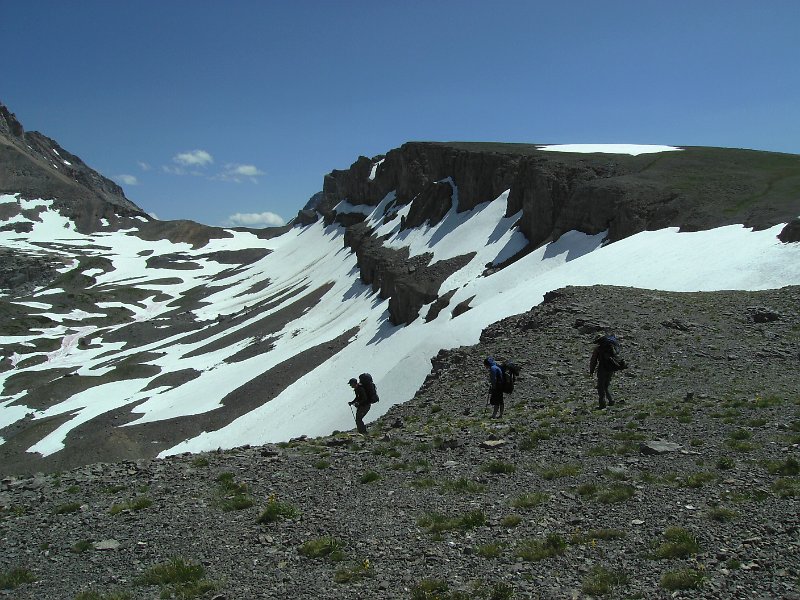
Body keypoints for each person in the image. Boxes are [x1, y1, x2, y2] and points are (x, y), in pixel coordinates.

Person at [589, 334, 625, 409]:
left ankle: (602, 404)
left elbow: (594, 360)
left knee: (600, 386)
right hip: (610, 368)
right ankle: (611, 400)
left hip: (602, 368)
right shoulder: (611, 347)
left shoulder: (598, 349)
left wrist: (591, 370)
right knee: (607, 385)